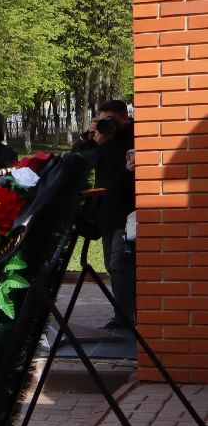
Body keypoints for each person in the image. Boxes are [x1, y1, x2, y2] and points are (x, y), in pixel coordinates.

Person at [76, 99, 136, 328]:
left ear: (124, 117)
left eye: (110, 120)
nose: (106, 124)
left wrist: (108, 143)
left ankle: (122, 319)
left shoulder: (133, 136)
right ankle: (128, 310)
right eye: (102, 120)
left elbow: (121, 175)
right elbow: (78, 160)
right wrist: (87, 137)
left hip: (128, 210)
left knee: (120, 264)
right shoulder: (99, 137)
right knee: (113, 267)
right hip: (107, 212)